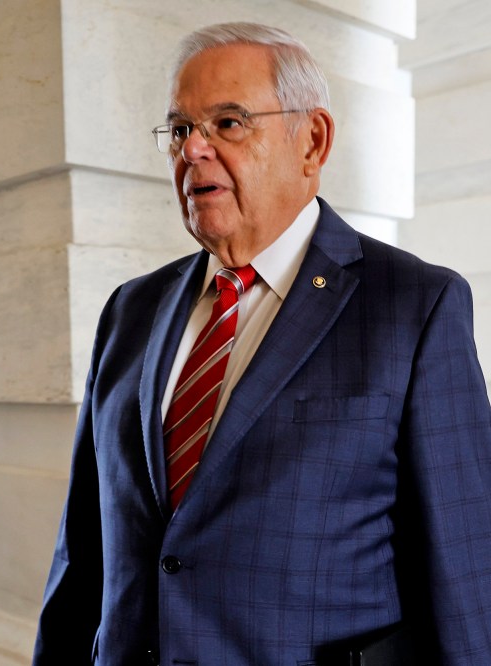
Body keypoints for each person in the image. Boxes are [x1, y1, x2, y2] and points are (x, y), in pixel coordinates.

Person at [33, 22, 491, 666]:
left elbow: (467, 570)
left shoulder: (414, 306)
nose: (193, 150)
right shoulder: (130, 310)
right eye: (181, 129)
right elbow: (82, 550)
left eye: (228, 122)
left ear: (312, 141)